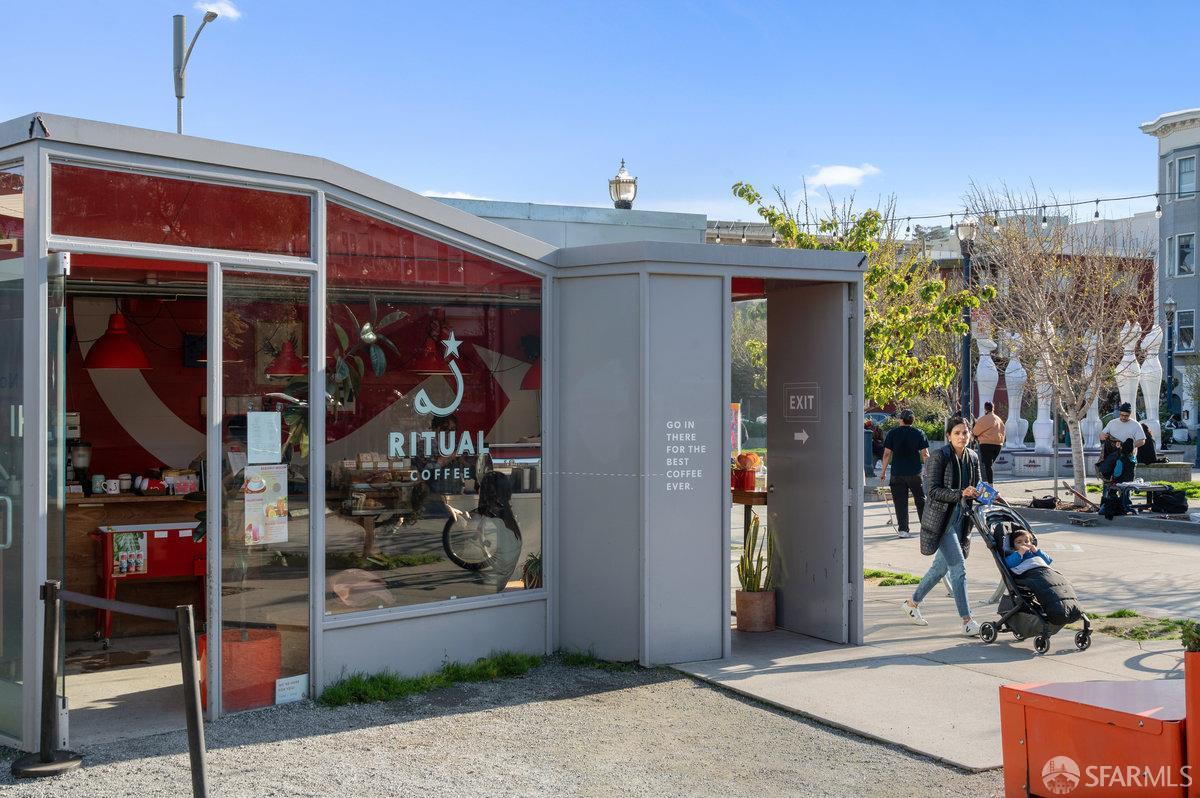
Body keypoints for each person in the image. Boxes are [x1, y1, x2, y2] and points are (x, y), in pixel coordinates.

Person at [901, 415, 983, 637]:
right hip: (942, 521)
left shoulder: (973, 457)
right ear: (948, 436)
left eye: (965, 432)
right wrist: (959, 494)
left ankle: (912, 604)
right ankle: (967, 621)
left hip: (962, 520)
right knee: (959, 570)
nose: (961, 437)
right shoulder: (939, 457)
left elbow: (977, 486)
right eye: (956, 433)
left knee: (940, 568)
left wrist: (985, 494)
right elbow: (932, 490)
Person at [879, 409, 929, 539]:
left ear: (901, 419)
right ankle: (926, 529)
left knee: (900, 502)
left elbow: (886, 454)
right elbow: (925, 454)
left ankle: (903, 530)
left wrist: (883, 472)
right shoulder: (919, 433)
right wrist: (928, 471)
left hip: (897, 473)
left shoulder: (892, 433)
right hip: (915, 473)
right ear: (912, 420)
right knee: (920, 500)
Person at [971, 401, 1006, 484]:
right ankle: (988, 483)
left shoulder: (984, 419)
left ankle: (989, 485)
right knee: (989, 465)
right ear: (993, 408)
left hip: (986, 444)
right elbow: (1003, 432)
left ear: (985, 409)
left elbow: (975, 431)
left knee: (987, 465)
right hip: (998, 445)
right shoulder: (999, 420)